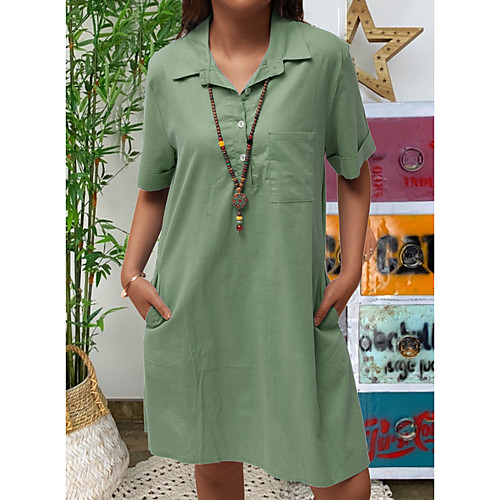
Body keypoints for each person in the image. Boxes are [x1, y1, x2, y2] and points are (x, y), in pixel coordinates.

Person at [121, 1, 377, 499]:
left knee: (344, 478)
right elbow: (155, 186)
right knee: (216, 458)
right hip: (197, 304)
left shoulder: (323, 58)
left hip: (294, 305)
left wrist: (349, 272)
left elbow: (354, 167)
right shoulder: (168, 69)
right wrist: (131, 274)